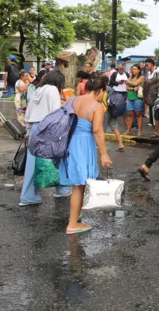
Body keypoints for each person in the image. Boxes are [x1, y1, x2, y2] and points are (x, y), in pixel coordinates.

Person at [60, 78, 113, 235]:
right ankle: (72, 224)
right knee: (79, 186)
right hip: (83, 145)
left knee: (77, 183)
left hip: (70, 142)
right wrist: (104, 154)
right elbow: (97, 131)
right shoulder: (96, 107)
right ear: (101, 91)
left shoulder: (73, 99)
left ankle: (76, 216)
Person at [20, 71, 73, 206]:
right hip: (49, 128)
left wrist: (29, 130)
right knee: (58, 157)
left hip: (36, 128)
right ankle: (62, 189)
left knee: (33, 164)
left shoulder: (38, 89)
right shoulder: (53, 90)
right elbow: (55, 112)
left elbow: (29, 112)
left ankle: (28, 195)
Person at [143, 58, 159, 138]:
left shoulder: (157, 72)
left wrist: (146, 81)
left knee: (156, 113)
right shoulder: (150, 73)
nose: (146, 67)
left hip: (157, 96)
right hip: (151, 96)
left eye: (147, 65)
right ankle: (157, 131)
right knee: (154, 113)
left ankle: (157, 131)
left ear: (152, 64)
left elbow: (156, 82)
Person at [125, 64, 145, 138]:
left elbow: (135, 83)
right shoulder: (130, 77)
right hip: (130, 97)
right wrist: (133, 88)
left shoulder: (142, 77)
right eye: (132, 69)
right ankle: (128, 130)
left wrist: (128, 82)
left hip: (138, 97)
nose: (133, 70)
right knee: (130, 114)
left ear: (139, 70)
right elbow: (126, 88)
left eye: (135, 69)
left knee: (138, 114)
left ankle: (139, 131)